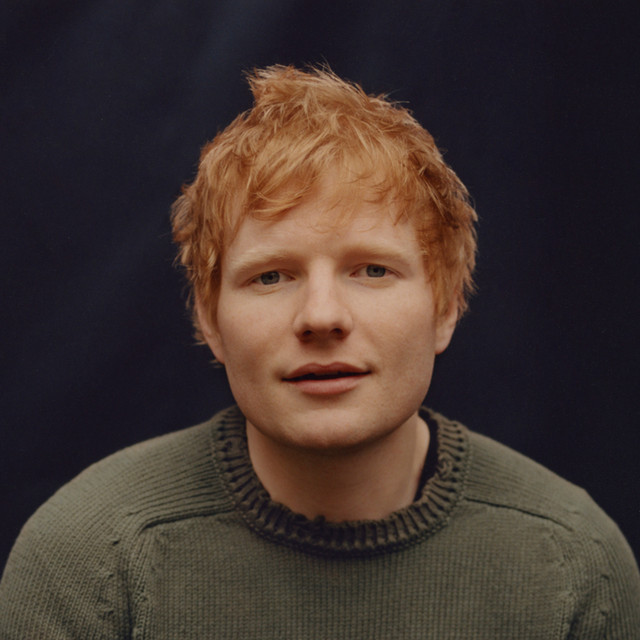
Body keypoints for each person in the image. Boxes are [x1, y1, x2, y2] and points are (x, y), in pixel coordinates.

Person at [1, 65, 638, 639]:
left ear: (445, 308)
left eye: (372, 270)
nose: (322, 317)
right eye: (271, 276)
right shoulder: (89, 558)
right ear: (210, 320)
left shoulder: (573, 561)